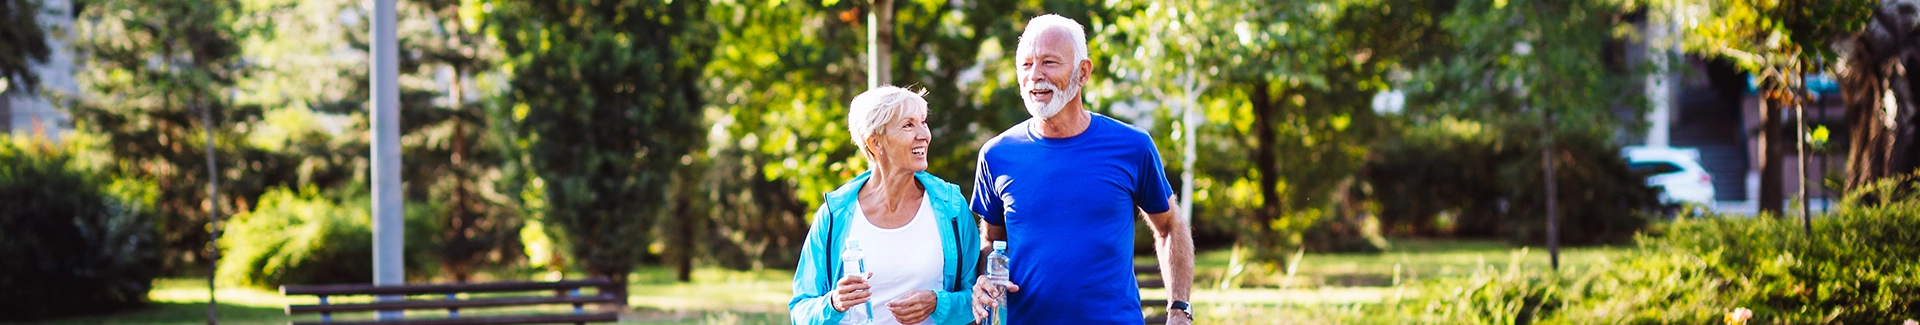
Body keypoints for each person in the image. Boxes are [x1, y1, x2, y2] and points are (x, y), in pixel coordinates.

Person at [967, 14, 1195, 324]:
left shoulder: (1132, 145)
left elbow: (1170, 227)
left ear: (1083, 72)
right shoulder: (997, 154)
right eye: (1026, 64)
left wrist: (1179, 310)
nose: (1035, 75)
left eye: (1049, 62)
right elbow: (991, 244)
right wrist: (982, 281)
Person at [790, 86, 983, 325]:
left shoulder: (951, 207)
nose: (924, 134)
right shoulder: (834, 215)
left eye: (923, 122)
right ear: (875, 142)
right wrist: (834, 304)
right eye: (908, 125)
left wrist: (937, 302)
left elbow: (977, 297)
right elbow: (801, 308)